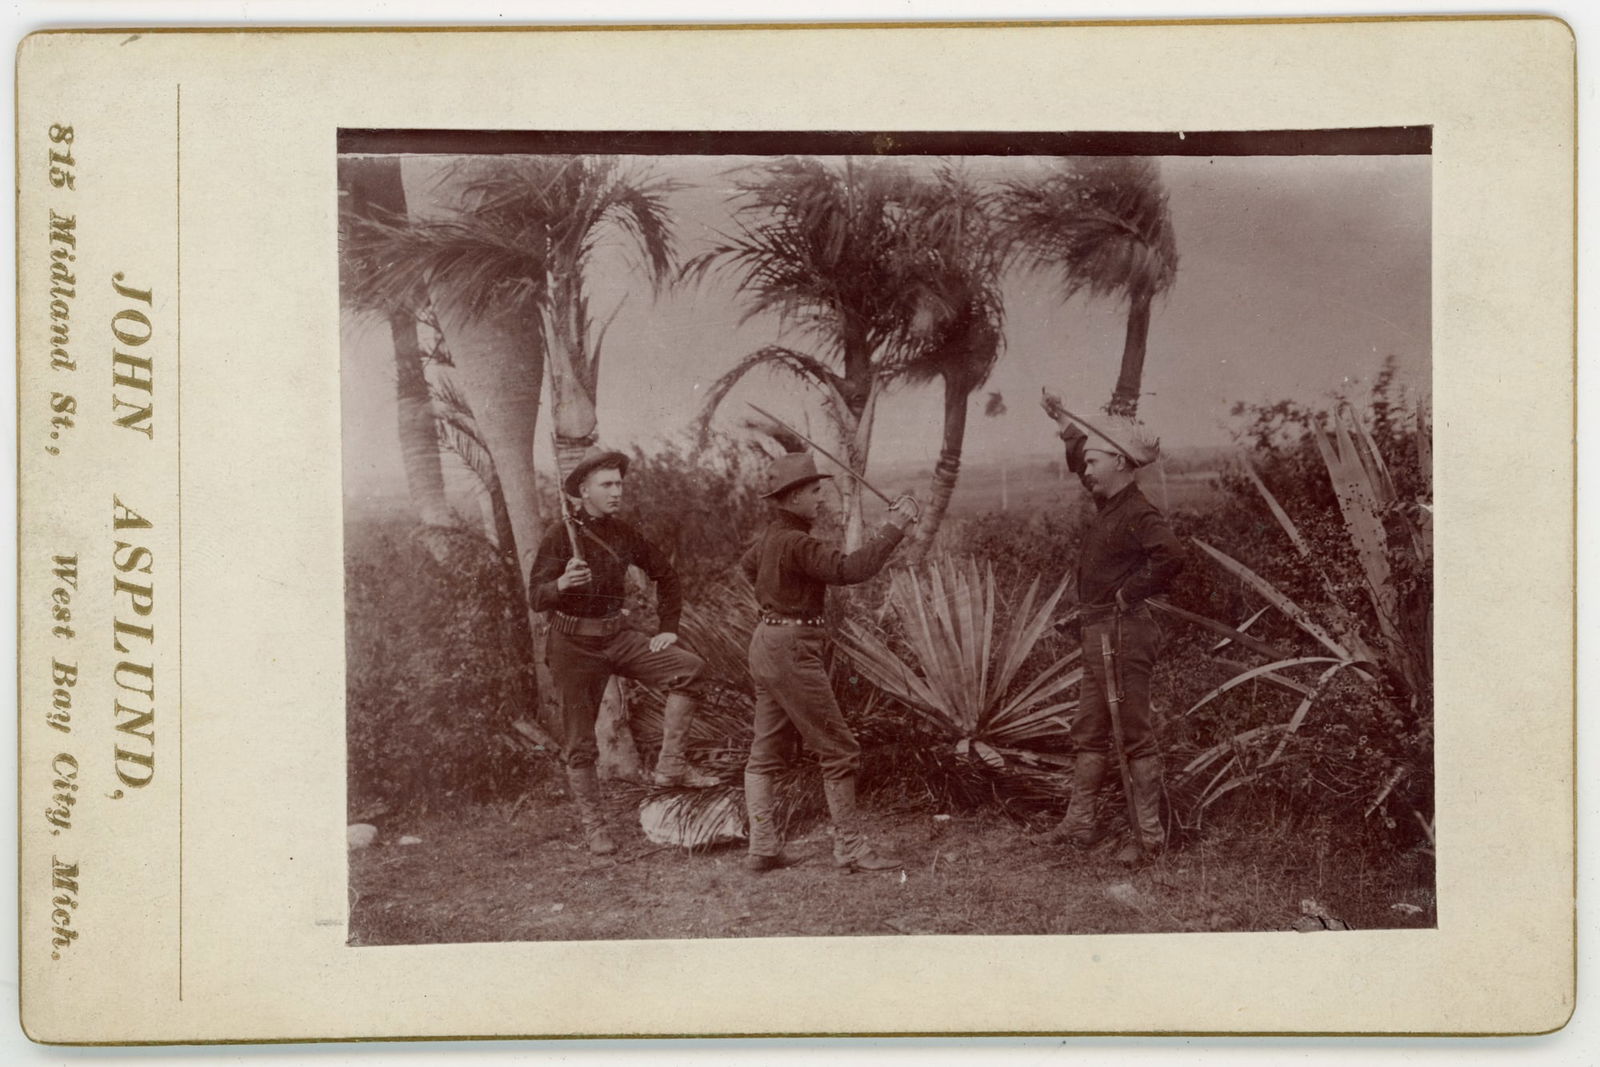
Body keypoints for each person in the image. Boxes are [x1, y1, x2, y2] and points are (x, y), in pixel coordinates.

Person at [527, 446, 719, 857]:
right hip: (573, 645)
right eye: (607, 484)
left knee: (689, 669)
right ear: (584, 490)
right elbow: (535, 597)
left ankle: (671, 767)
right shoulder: (559, 536)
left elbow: (666, 576)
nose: (616, 492)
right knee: (580, 741)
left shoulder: (623, 533)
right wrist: (562, 584)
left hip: (618, 637)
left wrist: (668, 629)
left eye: (619, 484)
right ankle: (595, 827)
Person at [738, 452, 921, 874]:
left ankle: (763, 848)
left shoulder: (772, 537)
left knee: (764, 754)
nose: (820, 499)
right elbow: (852, 570)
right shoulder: (798, 542)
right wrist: (896, 527)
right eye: (815, 491)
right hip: (791, 648)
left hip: (766, 642)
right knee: (839, 749)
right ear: (795, 496)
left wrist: (776, 604)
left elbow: (748, 568)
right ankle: (851, 849)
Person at [1039, 390, 1185, 865]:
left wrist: (1129, 594)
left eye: (1093, 461)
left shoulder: (1139, 512)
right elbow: (1080, 464)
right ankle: (1080, 823)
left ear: (1120, 461)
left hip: (1124, 633)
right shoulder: (1110, 504)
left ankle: (1147, 838)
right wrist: (1065, 423)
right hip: (1097, 634)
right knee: (1089, 729)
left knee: (1134, 733)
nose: (1084, 470)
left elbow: (1171, 556)